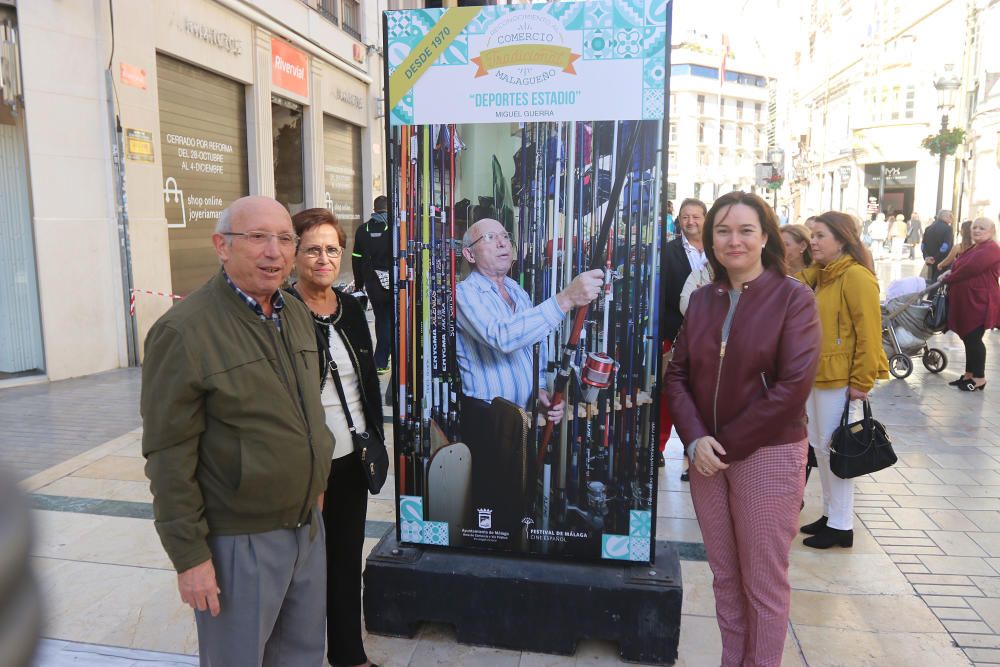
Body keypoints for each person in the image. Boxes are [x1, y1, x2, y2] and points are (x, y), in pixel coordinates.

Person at [141, 196, 332, 666]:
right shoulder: (184, 332)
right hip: (238, 544)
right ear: (221, 246)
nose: (274, 251)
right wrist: (190, 557)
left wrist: (315, 482)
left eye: (285, 238)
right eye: (257, 237)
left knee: (302, 657)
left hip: (306, 529)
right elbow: (169, 457)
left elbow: (307, 410)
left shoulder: (295, 313)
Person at [665, 191, 820, 667]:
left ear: (766, 236)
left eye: (745, 230)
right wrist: (693, 439)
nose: (733, 240)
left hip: (766, 454)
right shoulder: (704, 298)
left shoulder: (793, 298)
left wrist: (721, 445)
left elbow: (793, 387)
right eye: (722, 230)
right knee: (725, 576)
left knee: (763, 583)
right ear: (709, 239)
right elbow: (677, 374)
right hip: (707, 456)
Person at [456, 217, 602, 530]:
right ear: (468, 254)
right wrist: (565, 299)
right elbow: (502, 337)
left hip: (521, 415)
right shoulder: (464, 294)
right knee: (493, 508)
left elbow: (526, 349)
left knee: (519, 501)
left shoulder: (515, 290)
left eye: (505, 236)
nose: (502, 243)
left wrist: (540, 393)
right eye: (490, 238)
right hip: (487, 419)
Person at [286, 208, 383, 667]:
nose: (322, 258)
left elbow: (366, 384)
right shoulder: (282, 313)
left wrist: (377, 441)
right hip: (307, 466)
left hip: (353, 458)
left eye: (331, 249)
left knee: (346, 562)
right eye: (312, 249)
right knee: (306, 571)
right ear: (293, 254)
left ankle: (349, 655)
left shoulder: (350, 309)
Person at [797, 211, 888, 550]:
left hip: (841, 378)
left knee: (839, 449)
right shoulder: (824, 275)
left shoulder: (856, 277)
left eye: (820, 235)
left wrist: (861, 382)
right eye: (812, 235)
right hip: (818, 374)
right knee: (821, 446)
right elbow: (792, 279)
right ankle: (831, 514)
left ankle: (842, 525)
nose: (813, 242)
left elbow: (869, 336)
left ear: (841, 239)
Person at [658, 197, 708, 474]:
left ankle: (695, 454)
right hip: (674, 331)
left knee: (701, 394)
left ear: (705, 218)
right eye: (685, 216)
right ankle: (660, 446)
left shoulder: (716, 250)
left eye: (696, 216)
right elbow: (662, 293)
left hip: (711, 336)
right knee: (668, 391)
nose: (690, 221)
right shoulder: (669, 251)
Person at [940, 217, 1000, 392]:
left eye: (982, 228)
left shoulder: (991, 249)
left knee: (974, 339)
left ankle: (979, 379)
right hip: (969, 301)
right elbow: (960, 264)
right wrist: (950, 273)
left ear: (991, 231)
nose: (977, 230)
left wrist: (949, 277)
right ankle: (969, 375)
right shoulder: (978, 247)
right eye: (975, 227)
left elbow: (970, 269)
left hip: (979, 302)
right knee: (968, 338)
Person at [352, 195, 393, 373]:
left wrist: (359, 284)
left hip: (373, 283)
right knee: (393, 320)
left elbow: (356, 258)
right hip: (395, 282)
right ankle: (383, 360)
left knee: (382, 319)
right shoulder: (395, 228)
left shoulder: (363, 230)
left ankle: (381, 359)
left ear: (374, 209)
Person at [922, 209, 955, 282]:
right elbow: (946, 246)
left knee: (931, 281)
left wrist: (926, 256)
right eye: (951, 216)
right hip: (942, 260)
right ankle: (932, 293)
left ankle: (931, 293)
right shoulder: (948, 228)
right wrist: (936, 257)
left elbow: (923, 245)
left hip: (930, 260)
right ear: (945, 217)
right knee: (938, 281)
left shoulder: (928, 228)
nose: (952, 218)